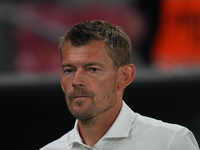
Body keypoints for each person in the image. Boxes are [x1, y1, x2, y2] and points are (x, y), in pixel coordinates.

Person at [40, 20, 199, 150]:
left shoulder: (170, 142)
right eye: (69, 70)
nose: (76, 81)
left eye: (92, 69)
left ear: (124, 76)